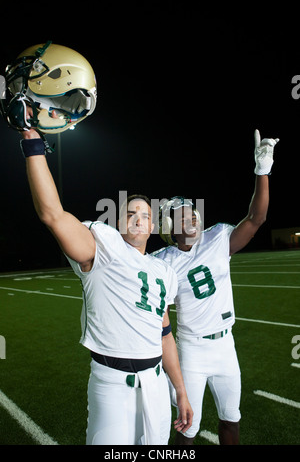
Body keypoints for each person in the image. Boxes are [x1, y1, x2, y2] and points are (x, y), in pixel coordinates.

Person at [16, 121, 193, 445]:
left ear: (152, 225)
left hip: (156, 384)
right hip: (111, 382)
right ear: (117, 222)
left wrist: (180, 390)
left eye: (144, 214)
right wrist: (32, 143)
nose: (138, 218)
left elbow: (165, 334)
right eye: (130, 213)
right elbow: (52, 215)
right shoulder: (103, 247)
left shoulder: (163, 270)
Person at [154, 130, 279, 445]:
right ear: (170, 227)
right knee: (187, 428)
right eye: (182, 215)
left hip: (226, 346)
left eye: (192, 212)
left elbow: (256, 218)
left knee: (231, 420)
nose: (192, 217)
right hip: (192, 350)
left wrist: (262, 171)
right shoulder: (164, 261)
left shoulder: (217, 237)